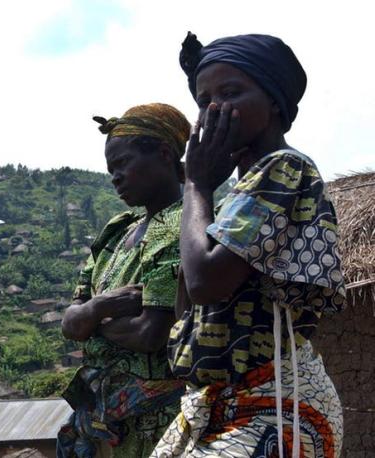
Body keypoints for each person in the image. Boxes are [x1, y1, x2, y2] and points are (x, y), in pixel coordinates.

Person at [152, 33, 346, 458]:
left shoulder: (285, 168)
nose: (215, 108)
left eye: (231, 92)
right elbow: (191, 303)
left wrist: (197, 184)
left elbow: (204, 282)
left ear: (274, 100)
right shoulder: (235, 196)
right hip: (220, 401)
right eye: (204, 101)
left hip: (274, 401)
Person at [58, 103, 191, 457]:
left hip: (159, 425)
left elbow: (151, 334)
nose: (115, 177)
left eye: (123, 164)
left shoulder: (179, 225)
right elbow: (69, 324)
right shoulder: (116, 233)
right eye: (110, 169)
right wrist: (101, 307)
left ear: (164, 155)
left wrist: (91, 320)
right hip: (108, 425)